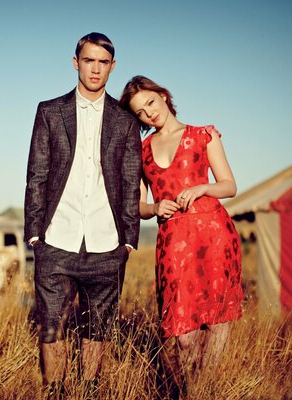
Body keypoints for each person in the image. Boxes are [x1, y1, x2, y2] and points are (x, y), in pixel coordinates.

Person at [25, 32, 141, 395]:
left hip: (108, 243)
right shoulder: (49, 111)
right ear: (76, 62)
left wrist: (129, 241)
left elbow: (130, 181)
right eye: (88, 60)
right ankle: (55, 392)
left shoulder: (125, 120)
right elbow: (37, 173)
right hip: (56, 238)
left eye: (103, 62)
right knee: (51, 326)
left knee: (99, 330)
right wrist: (35, 235)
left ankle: (90, 390)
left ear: (112, 67)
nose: (95, 68)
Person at [119, 76, 243, 384]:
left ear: (162, 95)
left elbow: (230, 186)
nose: (149, 113)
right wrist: (154, 208)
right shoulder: (142, 150)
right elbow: (137, 205)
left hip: (215, 234)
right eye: (140, 112)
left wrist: (202, 188)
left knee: (216, 321)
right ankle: (188, 386)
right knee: (183, 335)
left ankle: (204, 390)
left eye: (151, 102)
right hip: (174, 242)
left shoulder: (204, 135)